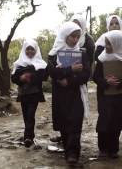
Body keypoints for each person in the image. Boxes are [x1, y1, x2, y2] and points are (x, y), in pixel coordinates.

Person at [47, 22, 90, 164]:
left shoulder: (82, 53)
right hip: (60, 95)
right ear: (65, 35)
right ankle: (68, 149)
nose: (75, 39)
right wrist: (70, 69)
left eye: (78, 36)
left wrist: (70, 81)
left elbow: (86, 74)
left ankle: (73, 153)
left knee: (76, 122)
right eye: (72, 36)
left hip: (76, 93)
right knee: (64, 123)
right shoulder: (54, 55)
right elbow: (51, 72)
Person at [93, 30, 122, 158]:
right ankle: (103, 149)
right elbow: (96, 77)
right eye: (106, 44)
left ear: (117, 44)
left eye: (109, 44)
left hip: (120, 96)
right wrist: (106, 82)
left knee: (117, 121)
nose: (106, 47)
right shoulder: (102, 58)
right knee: (104, 120)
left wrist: (119, 83)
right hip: (104, 95)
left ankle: (113, 149)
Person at [11, 39, 48, 148]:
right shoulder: (19, 63)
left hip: (35, 94)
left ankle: (27, 137)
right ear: (24, 50)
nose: (30, 51)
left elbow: (44, 77)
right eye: (28, 49)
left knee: (30, 114)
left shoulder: (40, 64)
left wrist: (30, 77)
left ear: (36, 50)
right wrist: (21, 78)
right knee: (26, 115)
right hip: (23, 94)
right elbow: (13, 78)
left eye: (32, 49)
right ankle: (30, 135)